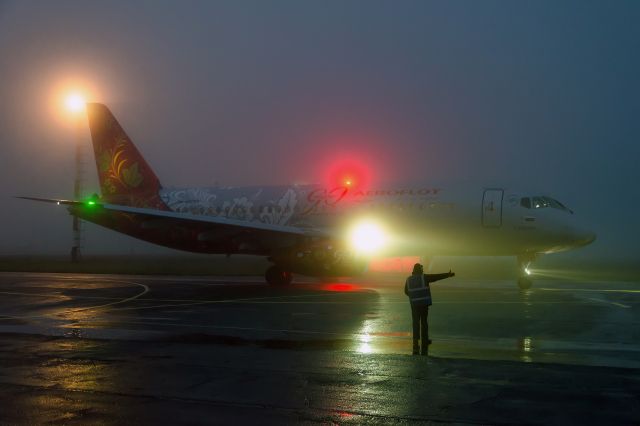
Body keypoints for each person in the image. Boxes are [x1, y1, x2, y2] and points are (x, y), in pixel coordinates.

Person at [404, 263, 455, 355]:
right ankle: (425, 340)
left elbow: (406, 291)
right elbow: (436, 277)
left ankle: (415, 342)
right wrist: (448, 274)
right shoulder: (424, 277)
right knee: (424, 322)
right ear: (420, 270)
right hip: (424, 304)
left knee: (415, 323)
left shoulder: (409, 279)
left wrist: (414, 297)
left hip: (414, 304)